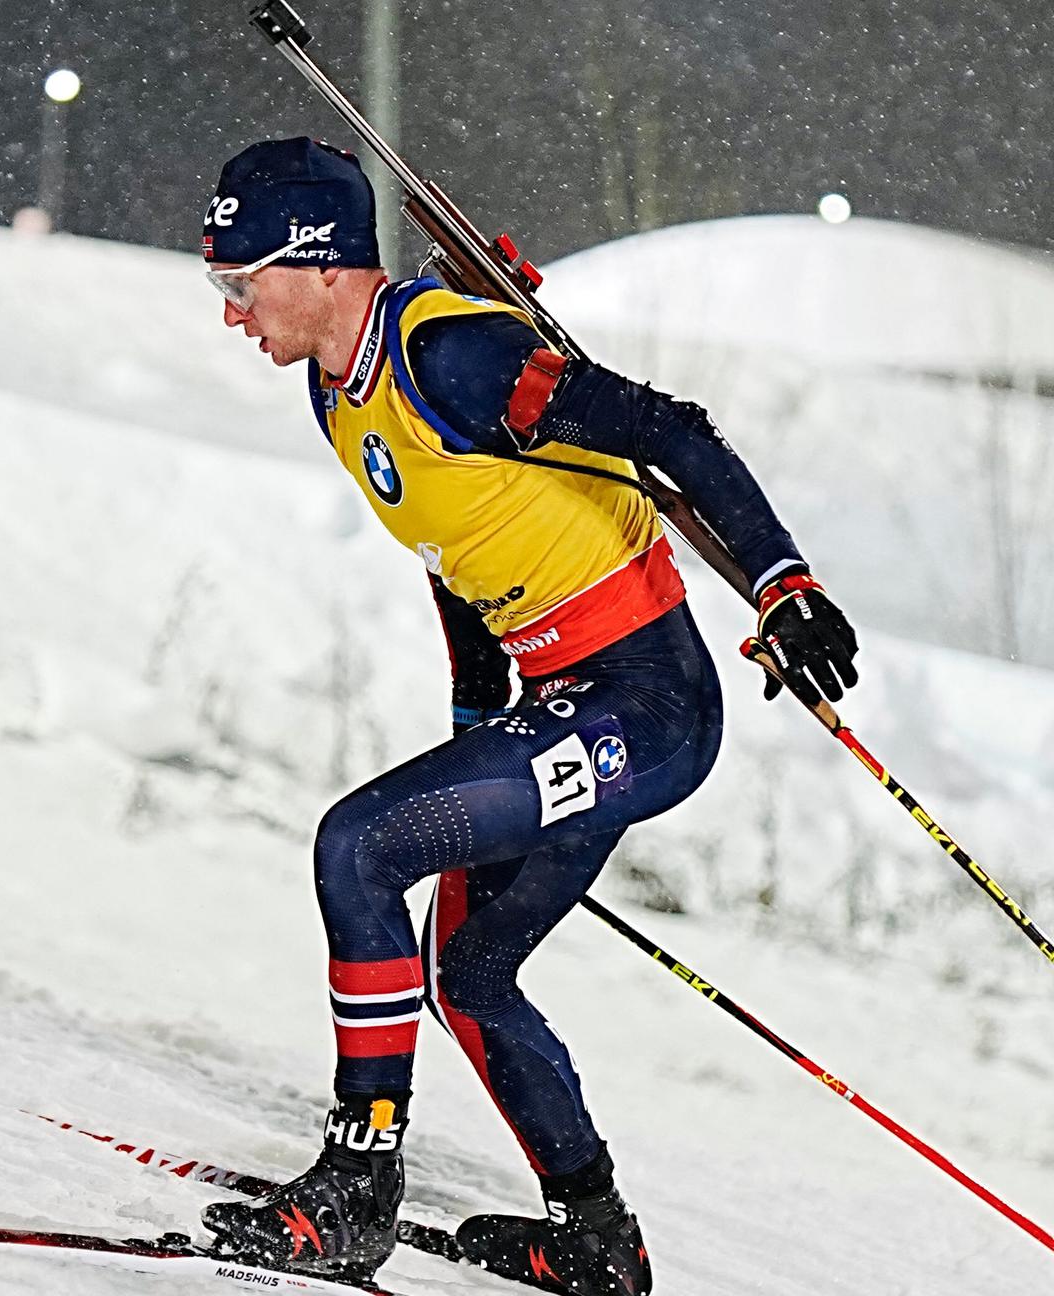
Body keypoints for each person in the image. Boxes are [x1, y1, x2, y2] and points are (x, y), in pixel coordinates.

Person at [197, 138, 858, 1295]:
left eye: (239, 282)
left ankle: (358, 1185)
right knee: (471, 974)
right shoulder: (337, 390)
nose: (232, 312)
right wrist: (473, 716)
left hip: (644, 708)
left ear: (321, 264)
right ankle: (597, 1238)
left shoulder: (455, 353)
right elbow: (455, 546)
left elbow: (673, 431)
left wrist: (783, 585)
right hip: (563, 703)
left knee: (359, 849)